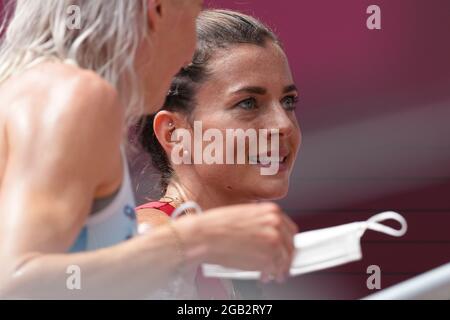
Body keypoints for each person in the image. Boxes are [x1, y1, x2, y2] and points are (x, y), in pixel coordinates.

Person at [0, 0, 297, 299]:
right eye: (194, 12)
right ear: (158, 10)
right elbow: (15, 285)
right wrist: (197, 238)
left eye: (289, 102)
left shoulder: (30, 90)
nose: (187, 54)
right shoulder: (74, 93)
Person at [136, 9, 301, 299]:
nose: (283, 125)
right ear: (174, 133)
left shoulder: (241, 253)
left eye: (288, 101)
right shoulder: (147, 239)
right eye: (248, 103)